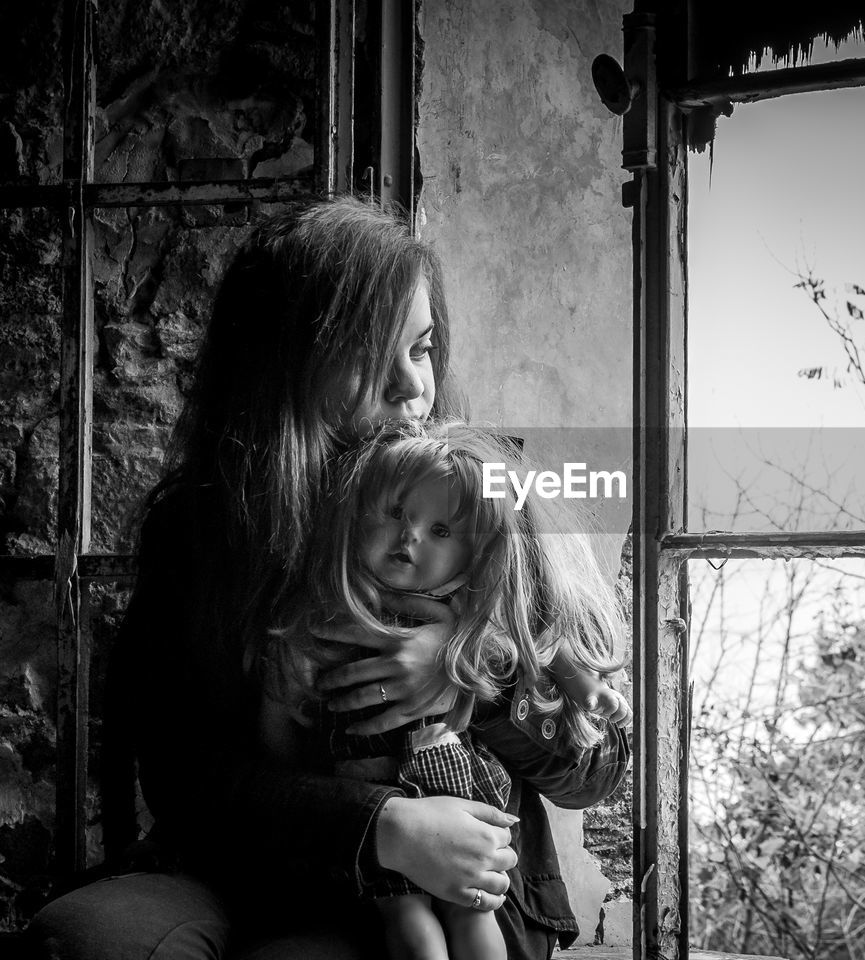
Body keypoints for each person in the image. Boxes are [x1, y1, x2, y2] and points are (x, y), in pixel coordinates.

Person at [24, 197, 630, 960]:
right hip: (246, 864)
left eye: (424, 347)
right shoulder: (201, 527)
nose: (414, 387)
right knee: (86, 942)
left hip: (457, 894)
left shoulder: (479, 505)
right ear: (290, 359)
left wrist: (476, 674)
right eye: (377, 354)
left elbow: (600, 766)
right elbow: (185, 777)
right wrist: (376, 827)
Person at [261, 418, 631, 960]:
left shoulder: (487, 613)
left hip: (459, 794)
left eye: (439, 532)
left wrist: (473, 673)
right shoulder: (326, 612)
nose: (409, 536)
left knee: (475, 912)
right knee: (410, 926)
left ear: (476, 554)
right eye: (393, 515)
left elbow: (551, 657)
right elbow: (277, 742)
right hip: (368, 809)